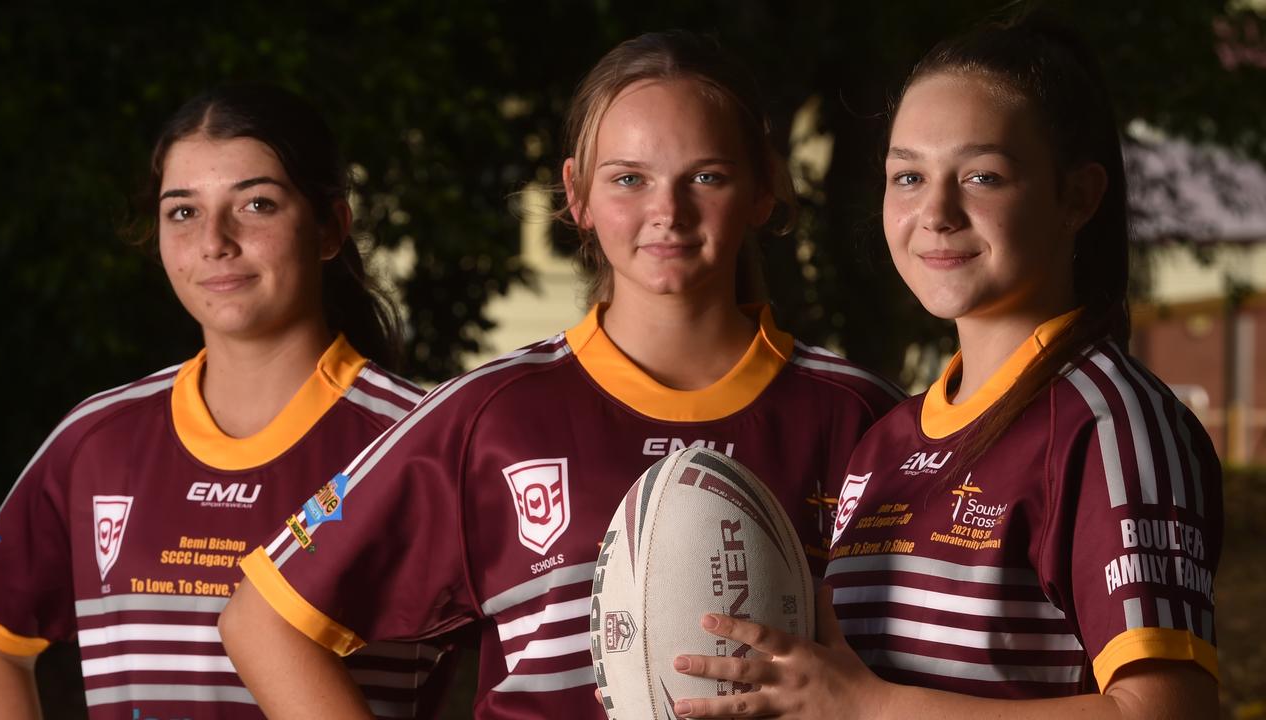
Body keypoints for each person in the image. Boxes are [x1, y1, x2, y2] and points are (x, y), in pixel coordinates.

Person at [218, 30, 904, 719]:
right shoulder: (490, 414)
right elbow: (264, 622)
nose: (667, 212)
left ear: (761, 188)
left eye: (706, 176)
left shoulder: (862, 417)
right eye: (628, 179)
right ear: (577, 193)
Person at [670, 16, 1222, 719]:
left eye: (982, 176)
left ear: (1078, 197)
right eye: (908, 176)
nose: (935, 212)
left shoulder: (1109, 424)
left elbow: (1168, 710)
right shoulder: (887, 442)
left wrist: (867, 706)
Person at [0, 85, 455, 719]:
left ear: (330, 228)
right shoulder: (95, 440)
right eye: (182, 212)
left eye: (256, 204)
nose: (214, 241)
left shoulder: (421, 442)